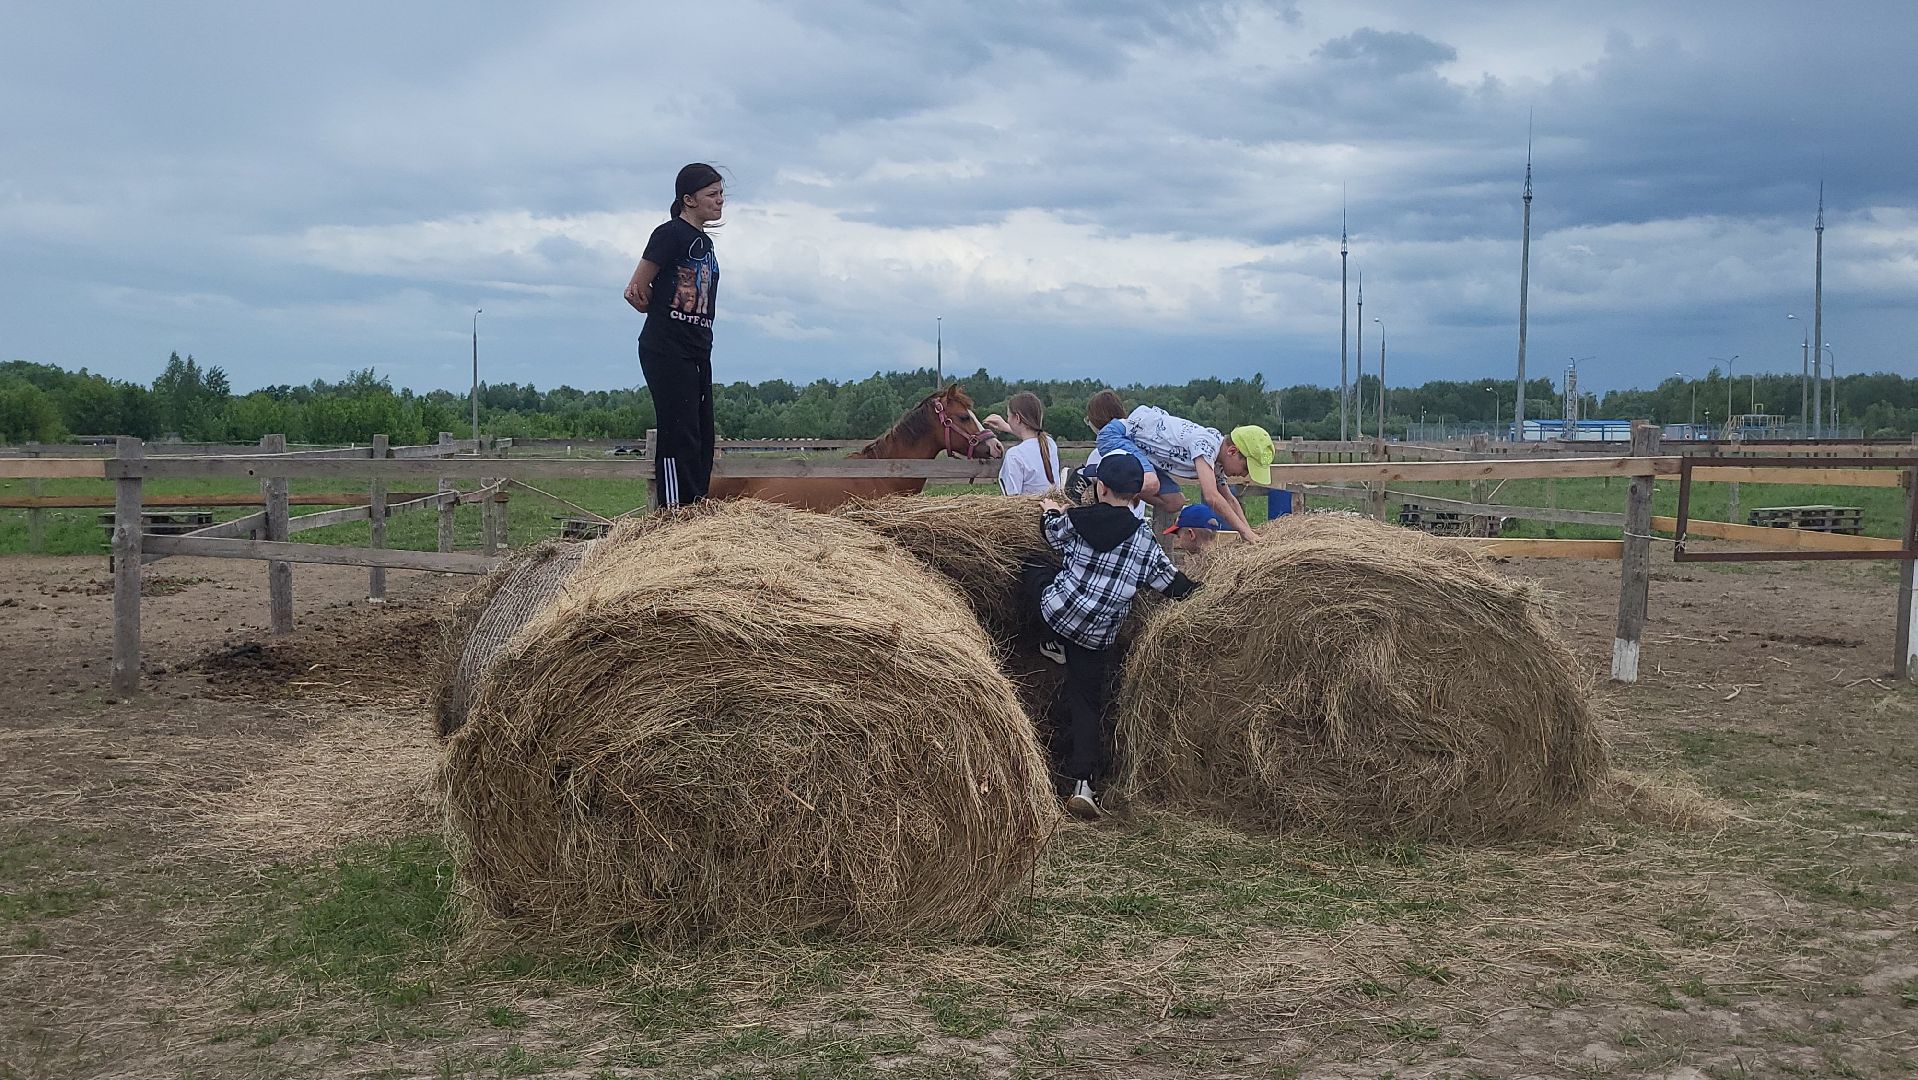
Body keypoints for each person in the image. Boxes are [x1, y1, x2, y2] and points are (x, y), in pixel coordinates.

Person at [1026, 454, 1199, 820]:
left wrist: (1051, 511)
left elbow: (1051, 534)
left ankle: (1049, 641)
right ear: (1136, 497)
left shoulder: (1077, 519)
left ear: (1099, 488)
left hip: (1058, 614)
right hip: (1096, 635)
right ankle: (1083, 785)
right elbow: (1172, 584)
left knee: (1034, 569)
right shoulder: (1143, 540)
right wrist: (1208, 592)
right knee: (1087, 701)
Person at [624, 163, 724, 507]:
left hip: (698, 349)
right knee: (678, 431)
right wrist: (663, 314)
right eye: (712, 194)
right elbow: (635, 289)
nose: (720, 200)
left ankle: (696, 503)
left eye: (721, 193)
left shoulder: (705, 243)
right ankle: (673, 511)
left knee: (701, 433)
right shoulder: (669, 234)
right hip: (666, 348)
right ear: (688, 199)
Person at [1119, 405, 1273, 544]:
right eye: (1246, 468)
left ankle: (1129, 488)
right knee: (1151, 484)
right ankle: (1121, 487)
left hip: (1147, 456)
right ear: (1232, 451)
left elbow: (1229, 499)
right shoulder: (1206, 446)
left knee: (1175, 503)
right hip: (1127, 436)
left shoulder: (1218, 463)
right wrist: (1244, 532)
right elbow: (1211, 496)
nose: (1244, 475)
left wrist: (1249, 532)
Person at [1084, 389, 1177, 512]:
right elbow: (1173, 503)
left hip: (1111, 518)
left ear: (1095, 420)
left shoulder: (1099, 454)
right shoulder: (1138, 447)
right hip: (1135, 518)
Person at [984, 391, 1062, 496]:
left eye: (1008, 416)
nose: (1008, 419)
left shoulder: (1014, 455)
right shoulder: (1050, 443)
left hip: (1029, 507)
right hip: (1053, 505)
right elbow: (1031, 439)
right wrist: (1007, 427)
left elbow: (1012, 498)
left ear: (1017, 418)